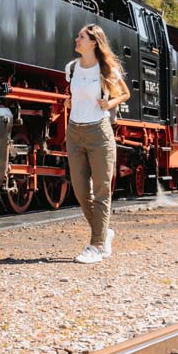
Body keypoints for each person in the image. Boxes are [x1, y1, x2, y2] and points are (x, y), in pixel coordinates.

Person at [64, 24, 130, 264]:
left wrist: (109, 104)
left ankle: (97, 245)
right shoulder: (71, 68)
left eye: (81, 36)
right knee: (82, 192)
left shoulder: (106, 69)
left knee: (102, 192)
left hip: (99, 133)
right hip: (74, 132)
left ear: (93, 42)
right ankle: (104, 232)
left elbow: (125, 94)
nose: (76, 38)